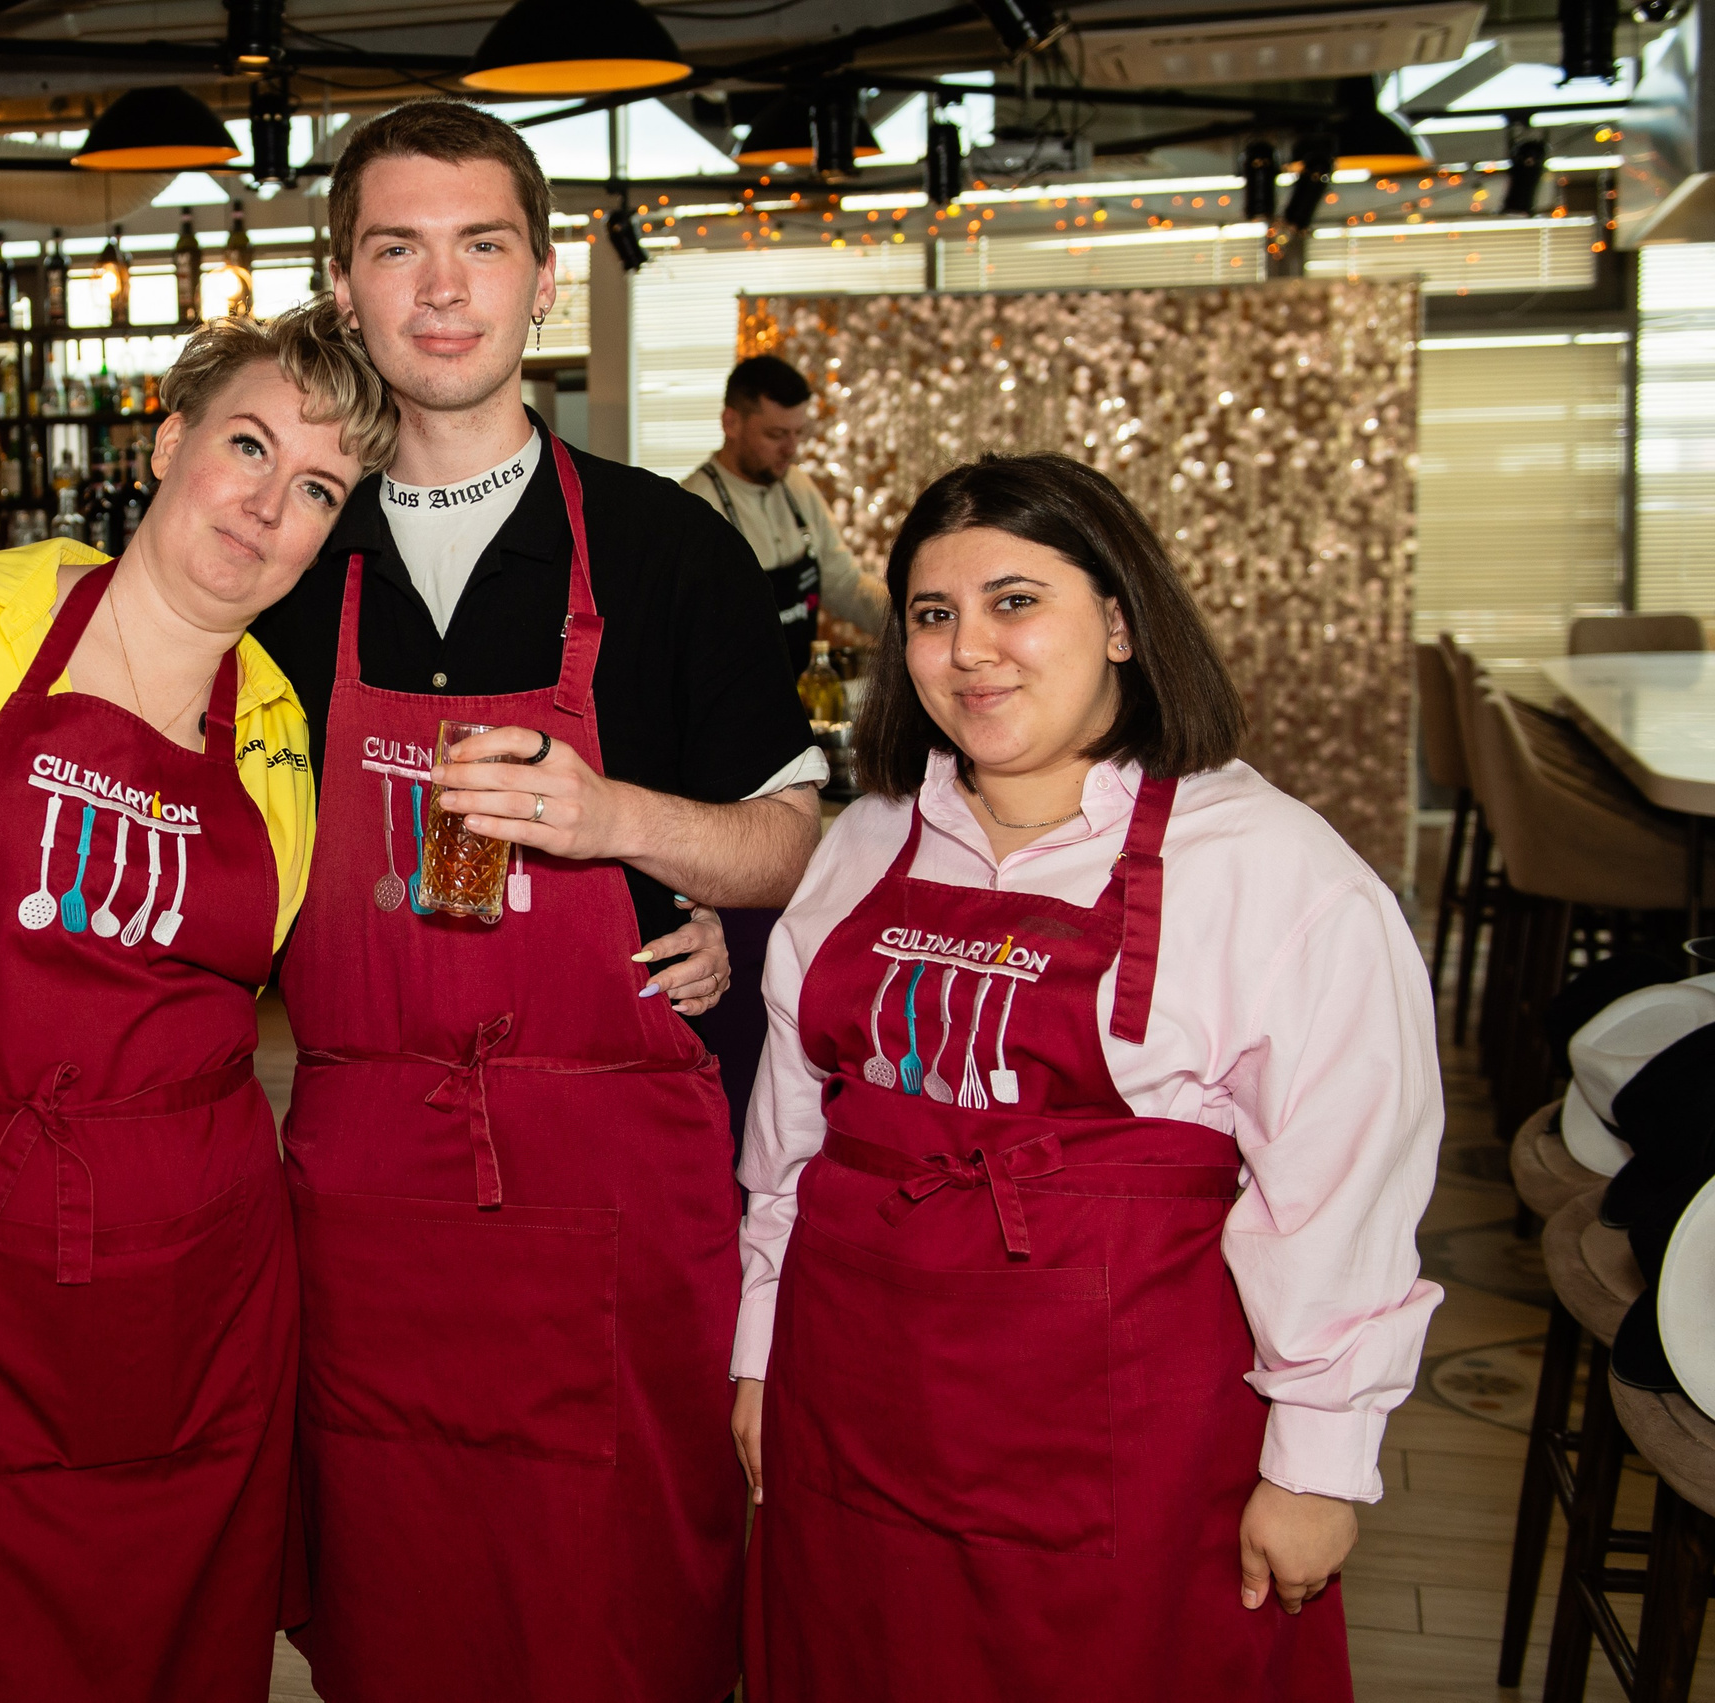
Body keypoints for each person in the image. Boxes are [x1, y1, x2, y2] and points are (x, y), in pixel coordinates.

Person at [248, 100, 821, 1703]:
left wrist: (624, 823)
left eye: (481, 245)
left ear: (543, 278)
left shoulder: (667, 548)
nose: (442, 288)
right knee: (397, 1598)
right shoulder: (286, 562)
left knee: (623, 1603)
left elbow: (794, 841)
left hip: (615, 1184)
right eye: (397, 249)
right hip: (366, 1195)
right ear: (345, 282)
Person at [731, 453, 1442, 1703]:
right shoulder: (860, 841)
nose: (969, 651)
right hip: (852, 1415)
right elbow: (787, 1148)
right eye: (933, 615)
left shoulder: (1277, 871)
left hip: (1130, 1449)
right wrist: (756, 1350)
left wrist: (1319, 1462)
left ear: (1117, 619)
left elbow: (1338, 1201)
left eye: (1016, 601)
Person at [0, 301, 393, 1701]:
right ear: (166, 440)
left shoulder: (275, 729)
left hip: (205, 1290)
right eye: (248, 446)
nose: (267, 507)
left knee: (189, 1641)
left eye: (315, 489)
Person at [680, 354, 884, 680]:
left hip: (798, 686)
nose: (791, 449)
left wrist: (912, 620)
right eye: (776, 435)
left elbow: (844, 583)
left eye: (798, 433)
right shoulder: (693, 506)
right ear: (731, 423)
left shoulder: (797, 485)